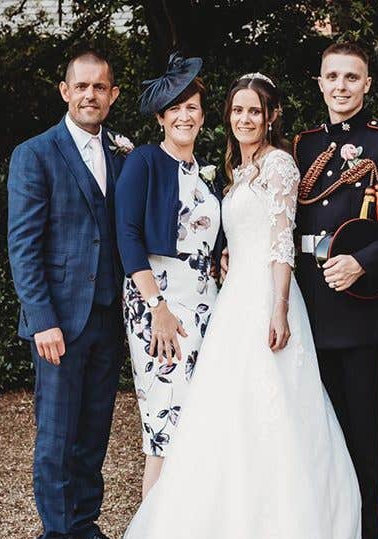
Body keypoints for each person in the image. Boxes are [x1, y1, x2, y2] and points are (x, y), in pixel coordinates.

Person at [102, 72, 378, 539]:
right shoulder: (235, 170)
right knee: (219, 418)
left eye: (254, 111)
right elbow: (210, 233)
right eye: (237, 111)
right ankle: (205, 532)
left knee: (271, 413)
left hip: (263, 302)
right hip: (226, 303)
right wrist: (223, 258)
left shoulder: (278, 164)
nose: (245, 119)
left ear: (270, 115)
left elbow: (281, 242)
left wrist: (277, 306)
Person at [291, 42, 378, 539]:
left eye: (352, 77)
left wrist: (363, 263)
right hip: (310, 309)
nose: (341, 86)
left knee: (370, 430)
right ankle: (328, 528)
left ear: (367, 84)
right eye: (332, 76)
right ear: (319, 82)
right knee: (317, 426)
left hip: (365, 307)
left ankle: (374, 536)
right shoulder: (301, 146)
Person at [7, 48, 128, 539]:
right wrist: (41, 320)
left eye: (99, 88)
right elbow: (24, 246)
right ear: (65, 91)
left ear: (112, 94)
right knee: (56, 433)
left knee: (94, 428)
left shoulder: (122, 155)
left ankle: (83, 524)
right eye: (81, 86)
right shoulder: (35, 154)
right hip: (59, 321)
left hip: (107, 316)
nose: (89, 96)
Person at [115, 53, 224, 497]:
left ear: (201, 116)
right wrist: (156, 308)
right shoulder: (143, 162)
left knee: (201, 418)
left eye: (192, 107)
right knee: (164, 421)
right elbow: (127, 235)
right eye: (175, 107)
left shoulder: (206, 174)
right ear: (161, 116)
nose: (184, 115)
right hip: (157, 303)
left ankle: (194, 530)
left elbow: (211, 238)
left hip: (206, 305)